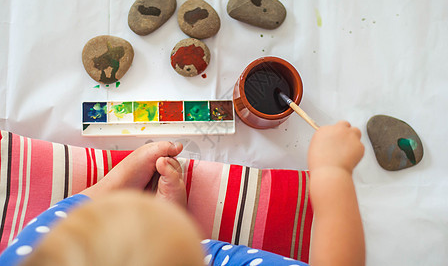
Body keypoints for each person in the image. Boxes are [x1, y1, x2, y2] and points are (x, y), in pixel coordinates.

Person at [0, 121, 365, 266]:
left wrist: (125, 172)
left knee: (66, 225)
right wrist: (333, 172)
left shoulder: (33, 254)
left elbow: (78, 213)